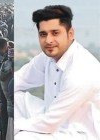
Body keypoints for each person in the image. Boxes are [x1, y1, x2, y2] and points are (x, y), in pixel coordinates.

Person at [14, 5, 100, 139]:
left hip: (79, 133)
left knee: (23, 137)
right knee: (16, 99)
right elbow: (19, 80)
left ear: (70, 34)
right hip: (53, 117)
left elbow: (49, 124)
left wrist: (17, 126)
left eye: (55, 33)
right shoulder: (48, 56)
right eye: (43, 34)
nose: (48, 40)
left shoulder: (81, 71)